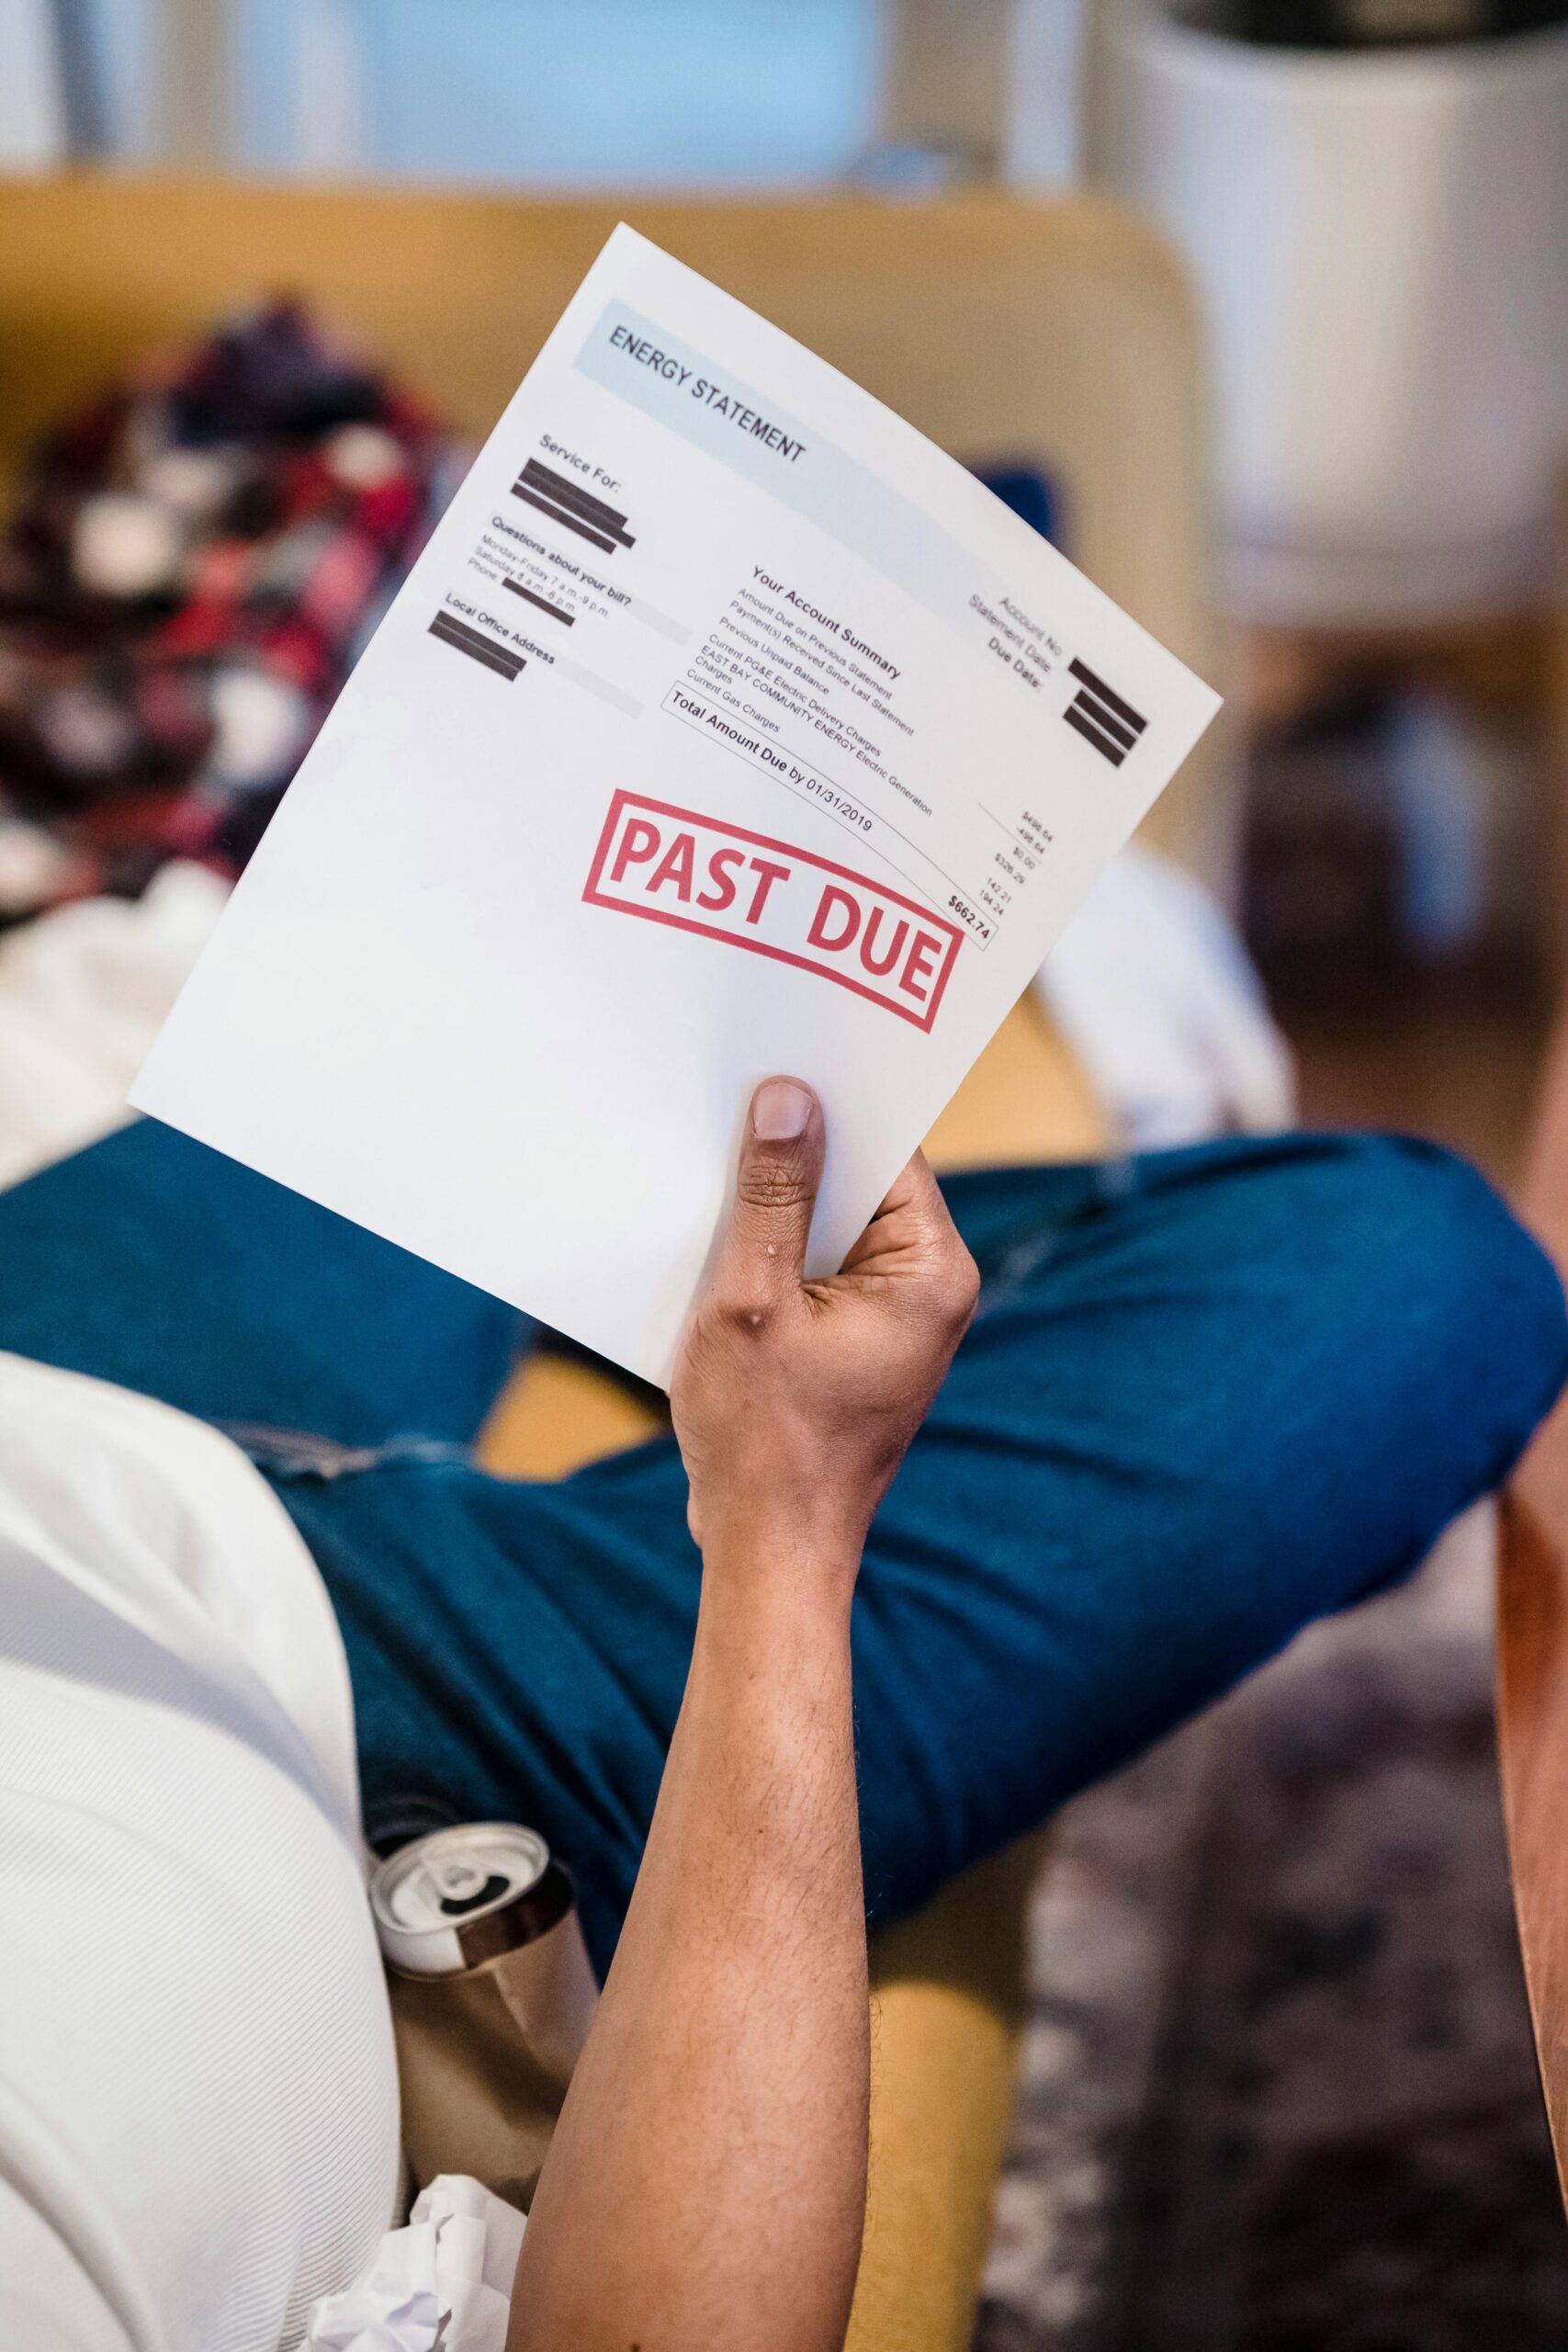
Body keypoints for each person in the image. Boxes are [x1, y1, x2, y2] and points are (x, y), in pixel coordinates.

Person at [0, 1077, 1563, 2350]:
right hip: (370, 1708)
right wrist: (784, 1534)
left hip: (47, 1393)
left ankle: (688, 1262)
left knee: (507, 1003)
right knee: (1415, 1269)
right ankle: (755, 1296)